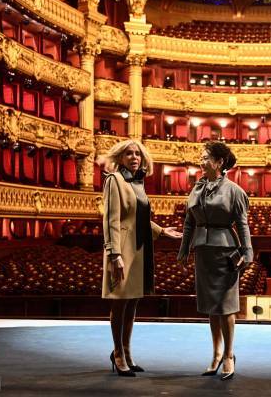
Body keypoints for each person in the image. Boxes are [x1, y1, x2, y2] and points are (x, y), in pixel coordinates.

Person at [102, 139, 182, 376]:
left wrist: (161, 231)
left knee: (133, 301)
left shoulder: (138, 183)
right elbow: (111, 220)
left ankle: (126, 351)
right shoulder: (114, 180)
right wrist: (114, 253)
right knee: (120, 302)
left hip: (140, 248)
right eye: (129, 154)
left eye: (137, 154)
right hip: (122, 249)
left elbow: (137, 217)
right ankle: (117, 353)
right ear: (120, 158)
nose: (134, 157)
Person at [177, 141, 253, 381]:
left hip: (226, 251)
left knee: (226, 305)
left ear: (219, 163)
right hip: (203, 250)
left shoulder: (234, 190)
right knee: (211, 306)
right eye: (201, 157)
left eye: (206, 157)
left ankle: (229, 355)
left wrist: (247, 251)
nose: (201, 161)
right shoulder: (197, 188)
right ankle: (216, 352)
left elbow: (242, 224)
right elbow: (189, 222)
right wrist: (184, 249)